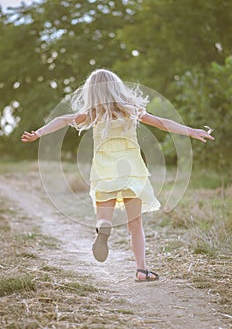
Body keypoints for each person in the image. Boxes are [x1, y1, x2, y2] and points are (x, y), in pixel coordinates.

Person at [21, 69, 214, 281]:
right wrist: (191, 131)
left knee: (103, 217)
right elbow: (162, 123)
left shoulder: (94, 114)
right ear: (117, 87)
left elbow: (62, 119)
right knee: (135, 225)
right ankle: (141, 270)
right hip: (131, 171)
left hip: (104, 172)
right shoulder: (132, 111)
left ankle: (103, 227)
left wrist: (38, 133)